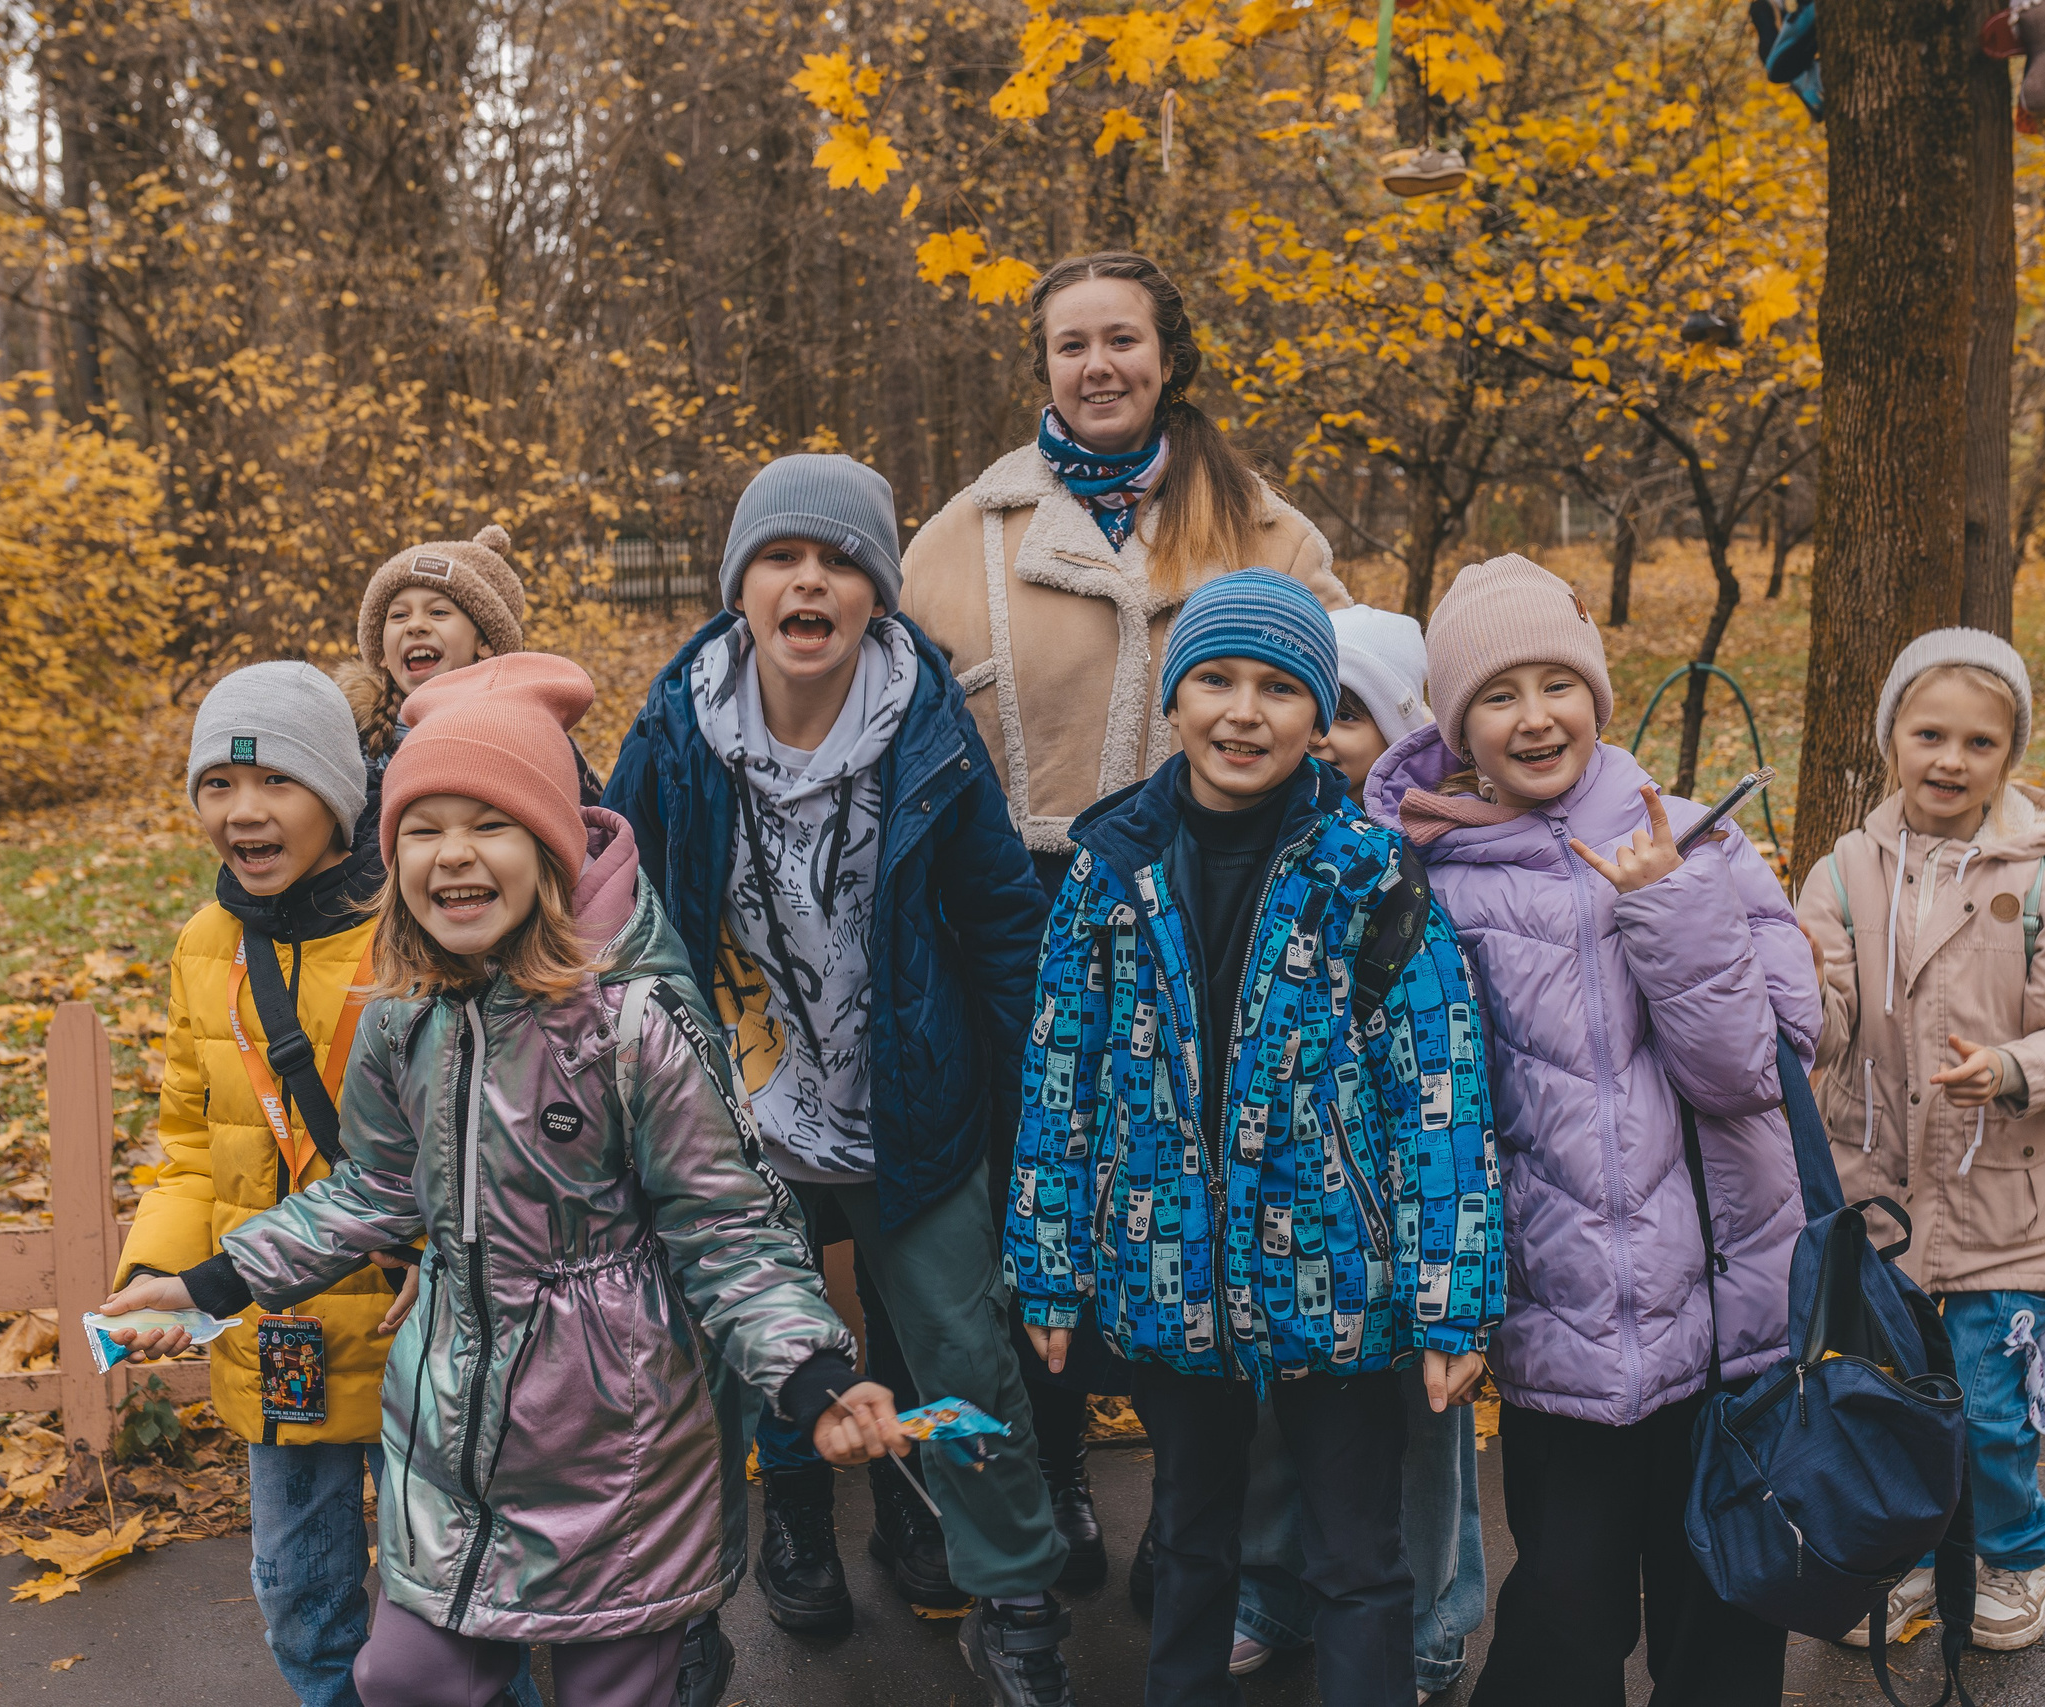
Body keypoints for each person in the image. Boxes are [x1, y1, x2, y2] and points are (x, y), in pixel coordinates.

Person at [99, 653, 908, 1707]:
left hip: (620, 1433)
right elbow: (376, 1191)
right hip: (455, 1416)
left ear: (551, 843)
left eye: (489, 825)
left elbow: (730, 1229)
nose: (453, 857)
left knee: (610, 1687)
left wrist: (810, 1371)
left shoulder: (635, 1025)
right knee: (410, 1676)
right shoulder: (406, 1010)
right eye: (422, 831)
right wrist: (214, 1283)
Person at [900, 248, 1352, 1593]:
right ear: (1042, 365)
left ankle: (1196, 1518)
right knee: (1035, 1204)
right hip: (1014, 909)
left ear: (1171, 356)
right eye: (1070, 345)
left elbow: (1349, 708)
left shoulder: (1264, 527)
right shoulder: (966, 531)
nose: (1097, 367)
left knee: (1195, 1195)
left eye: (1123, 341)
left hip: (1216, 900)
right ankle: (1050, 1486)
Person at [604, 454, 1077, 1707]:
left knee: (968, 1356)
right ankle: (699, 1594)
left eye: (840, 562)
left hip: (907, 1112)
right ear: (741, 586)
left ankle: (1015, 1597)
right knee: (706, 1366)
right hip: (732, 1125)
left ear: (877, 592)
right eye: (780, 558)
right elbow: (611, 919)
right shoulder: (674, 728)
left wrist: (1032, 1118)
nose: (808, 580)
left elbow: (1000, 924)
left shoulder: (927, 726)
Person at [1006, 570, 1503, 1707]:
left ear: (1318, 717)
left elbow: (1439, 1093)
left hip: (1336, 1277)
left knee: (1356, 1555)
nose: (1244, 711)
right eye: (1216, 680)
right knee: (1186, 1539)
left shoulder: (1369, 877)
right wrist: (1046, 1271)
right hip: (1166, 1267)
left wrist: (1451, 1299)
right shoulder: (1107, 871)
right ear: (1173, 701)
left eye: (1280, 688)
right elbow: (1058, 1078)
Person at [1362, 553, 1819, 1707]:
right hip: (1558, 1322)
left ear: (1596, 696)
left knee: (1722, 1608)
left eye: (1555, 684)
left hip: (1723, 1324)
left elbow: (1759, 1067)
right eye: (1497, 695)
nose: (1533, 717)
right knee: (1563, 1609)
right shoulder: (1432, 877)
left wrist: (1666, 907)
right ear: (1460, 725)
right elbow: (1425, 1101)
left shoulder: (1692, 834)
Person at [1796, 628, 2045, 1652]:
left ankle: (2017, 1556)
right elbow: (1821, 1012)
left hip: (2004, 1199)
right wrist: (1797, 988)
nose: (1948, 758)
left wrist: (2015, 1067)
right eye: (1928, 732)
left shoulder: (2042, 886)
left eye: (1978, 742)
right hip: (1880, 1193)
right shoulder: (1845, 871)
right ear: (1890, 734)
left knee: (1990, 1414)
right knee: (1885, 1403)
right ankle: (1897, 1563)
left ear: (2008, 755)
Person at [112, 661, 405, 1707]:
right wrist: (161, 1272)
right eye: (218, 787)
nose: (244, 812)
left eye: (277, 782)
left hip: (411, 1323)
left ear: (339, 793)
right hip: (274, 1333)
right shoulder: (206, 944)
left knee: (446, 1619)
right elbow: (190, 1139)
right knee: (301, 1600)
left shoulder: (412, 931)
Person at [1227, 603, 1484, 1704]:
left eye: (1347, 714)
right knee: (1288, 1412)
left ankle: (1432, 1617)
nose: (1323, 736)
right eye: (1309, 709)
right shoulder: (1282, 846)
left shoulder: (1433, 853)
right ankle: (1276, 1589)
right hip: (1307, 1204)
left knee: (1426, 1429)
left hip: (1431, 1185)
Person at [338, 523, 601, 853]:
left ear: (485, 643)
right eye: (399, 615)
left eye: (438, 611)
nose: (416, 625)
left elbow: (587, 846)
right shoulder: (352, 744)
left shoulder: (534, 738)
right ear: (382, 654)